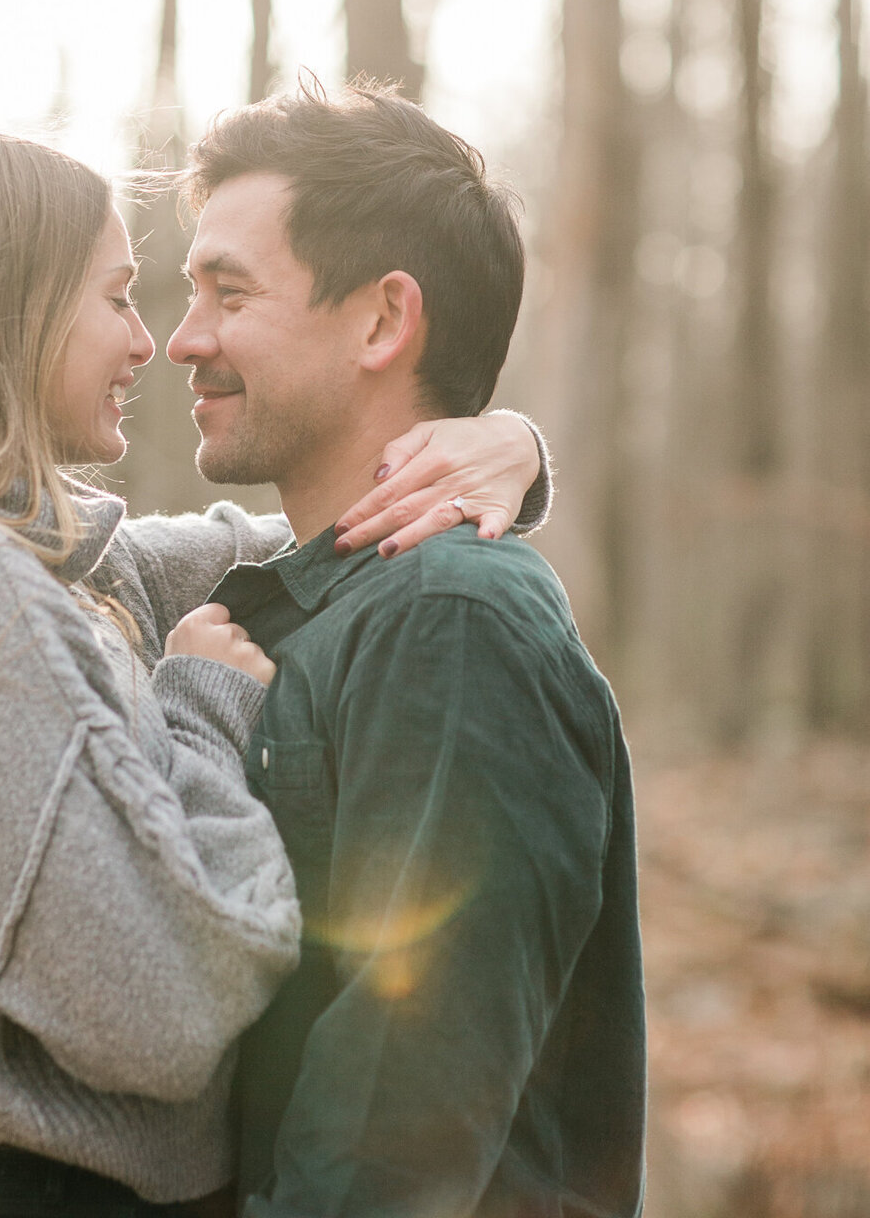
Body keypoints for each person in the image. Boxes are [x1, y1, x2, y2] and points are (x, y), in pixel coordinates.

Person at [0, 123, 551, 1218]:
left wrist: (505, 448)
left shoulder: (49, 575)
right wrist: (200, 710)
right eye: (116, 298)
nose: (153, 343)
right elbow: (169, 1010)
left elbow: (308, 534)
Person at [166, 84, 646, 1218]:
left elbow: (394, 1135)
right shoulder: (321, 599)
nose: (185, 339)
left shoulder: (453, 620)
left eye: (228, 294)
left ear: (384, 322)